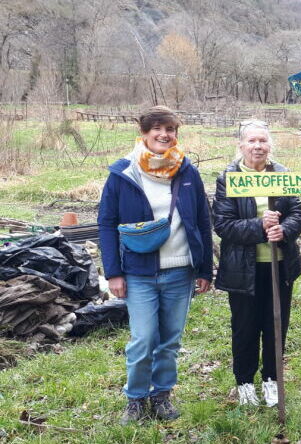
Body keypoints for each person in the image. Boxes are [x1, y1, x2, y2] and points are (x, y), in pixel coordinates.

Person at [98, 106, 213, 424]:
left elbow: (203, 220)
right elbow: (106, 224)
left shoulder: (187, 171)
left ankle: (161, 395)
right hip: (138, 273)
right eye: (157, 129)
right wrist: (114, 272)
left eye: (170, 129)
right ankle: (135, 398)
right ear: (144, 133)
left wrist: (205, 268)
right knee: (144, 339)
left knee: (170, 341)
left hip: (180, 271)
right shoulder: (123, 173)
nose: (164, 135)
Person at [213, 120, 301, 407]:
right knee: (245, 327)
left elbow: (298, 213)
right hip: (242, 269)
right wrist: (259, 226)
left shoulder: (282, 174)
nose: (258, 146)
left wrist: (284, 230)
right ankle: (244, 382)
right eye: (252, 141)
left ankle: (271, 380)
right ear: (241, 145)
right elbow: (223, 225)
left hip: (279, 265)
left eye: (263, 141)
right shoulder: (228, 178)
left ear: (270, 145)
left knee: (276, 324)